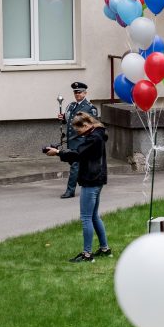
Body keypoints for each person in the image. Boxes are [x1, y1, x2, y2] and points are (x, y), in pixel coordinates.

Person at [45, 112, 110, 262]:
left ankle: (87, 254)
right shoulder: (98, 133)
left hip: (91, 179)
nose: (78, 133)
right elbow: (80, 153)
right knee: (94, 216)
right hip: (97, 179)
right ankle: (105, 248)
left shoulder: (94, 138)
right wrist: (60, 151)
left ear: (86, 125)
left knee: (86, 217)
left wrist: (58, 153)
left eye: (79, 130)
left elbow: (77, 154)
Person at [58, 81, 99, 199]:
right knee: (79, 165)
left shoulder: (89, 108)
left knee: (75, 166)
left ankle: (70, 191)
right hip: (72, 141)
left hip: (82, 142)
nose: (77, 94)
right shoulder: (71, 106)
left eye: (79, 92)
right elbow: (69, 119)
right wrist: (63, 118)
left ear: (85, 93)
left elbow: (93, 125)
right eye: (75, 92)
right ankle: (91, 185)